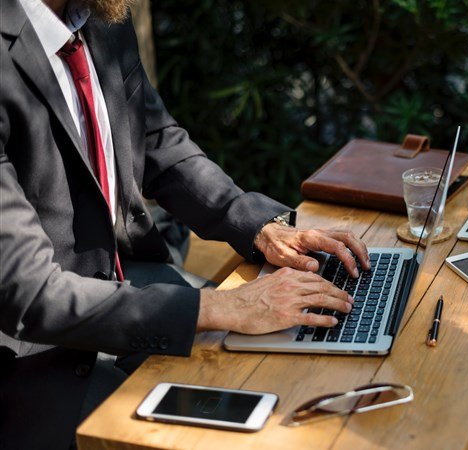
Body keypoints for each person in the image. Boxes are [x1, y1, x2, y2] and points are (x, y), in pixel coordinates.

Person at [0, 0, 372, 448]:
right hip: (29, 356)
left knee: (294, 367)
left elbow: (155, 140)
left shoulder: (101, 19)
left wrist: (259, 226)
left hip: (127, 284)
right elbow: (30, 293)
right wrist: (224, 307)